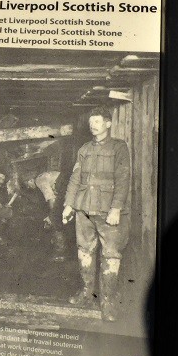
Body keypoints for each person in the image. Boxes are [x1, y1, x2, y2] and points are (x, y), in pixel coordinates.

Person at [62, 106, 131, 322]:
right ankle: (86, 293)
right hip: (84, 208)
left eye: (98, 121)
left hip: (108, 210)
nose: (93, 125)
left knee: (110, 254)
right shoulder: (84, 149)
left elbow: (123, 178)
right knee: (84, 250)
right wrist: (69, 205)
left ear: (108, 124)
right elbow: (75, 178)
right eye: (92, 121)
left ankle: (108, 301)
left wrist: (116, 208)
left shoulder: (119, 147)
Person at [34, 169, 67, 260]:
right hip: (64, 183)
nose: (28, 187)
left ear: (29, 180)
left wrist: (52, 215)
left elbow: (51, 198)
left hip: (63, 183)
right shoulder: (44, 176)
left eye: (26, 183)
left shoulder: (39, 180)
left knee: (55, 220)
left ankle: (60, 254)